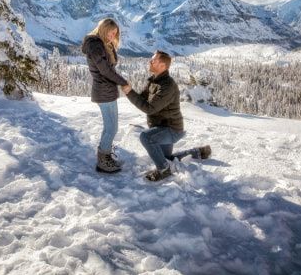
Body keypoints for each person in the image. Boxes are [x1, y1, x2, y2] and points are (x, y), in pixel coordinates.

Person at [123, 50, 211, 182]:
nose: (150, 61)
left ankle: (164, 169)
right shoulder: (154, 81)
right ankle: (198, 152)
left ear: (163, 66)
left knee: (146, 137)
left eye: (154, 60)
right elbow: (141, 99)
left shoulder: (167, 85)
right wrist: (129, 90)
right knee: (167, 158)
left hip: (171, 129)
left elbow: (149, 108)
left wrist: (129, 92)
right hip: (161, 128)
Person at [81, 18, 130, 173]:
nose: (113, 36)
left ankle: (106, 154)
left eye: (115, 34)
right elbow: (105, 71)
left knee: (110, 127)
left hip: (108, 91)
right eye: (111, 32)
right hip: (103, 91)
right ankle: (103, 161)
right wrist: (123, 82)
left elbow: (109, 68)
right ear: (103, 29)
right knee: (111, 128)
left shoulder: (104, 44)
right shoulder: (95, 46)